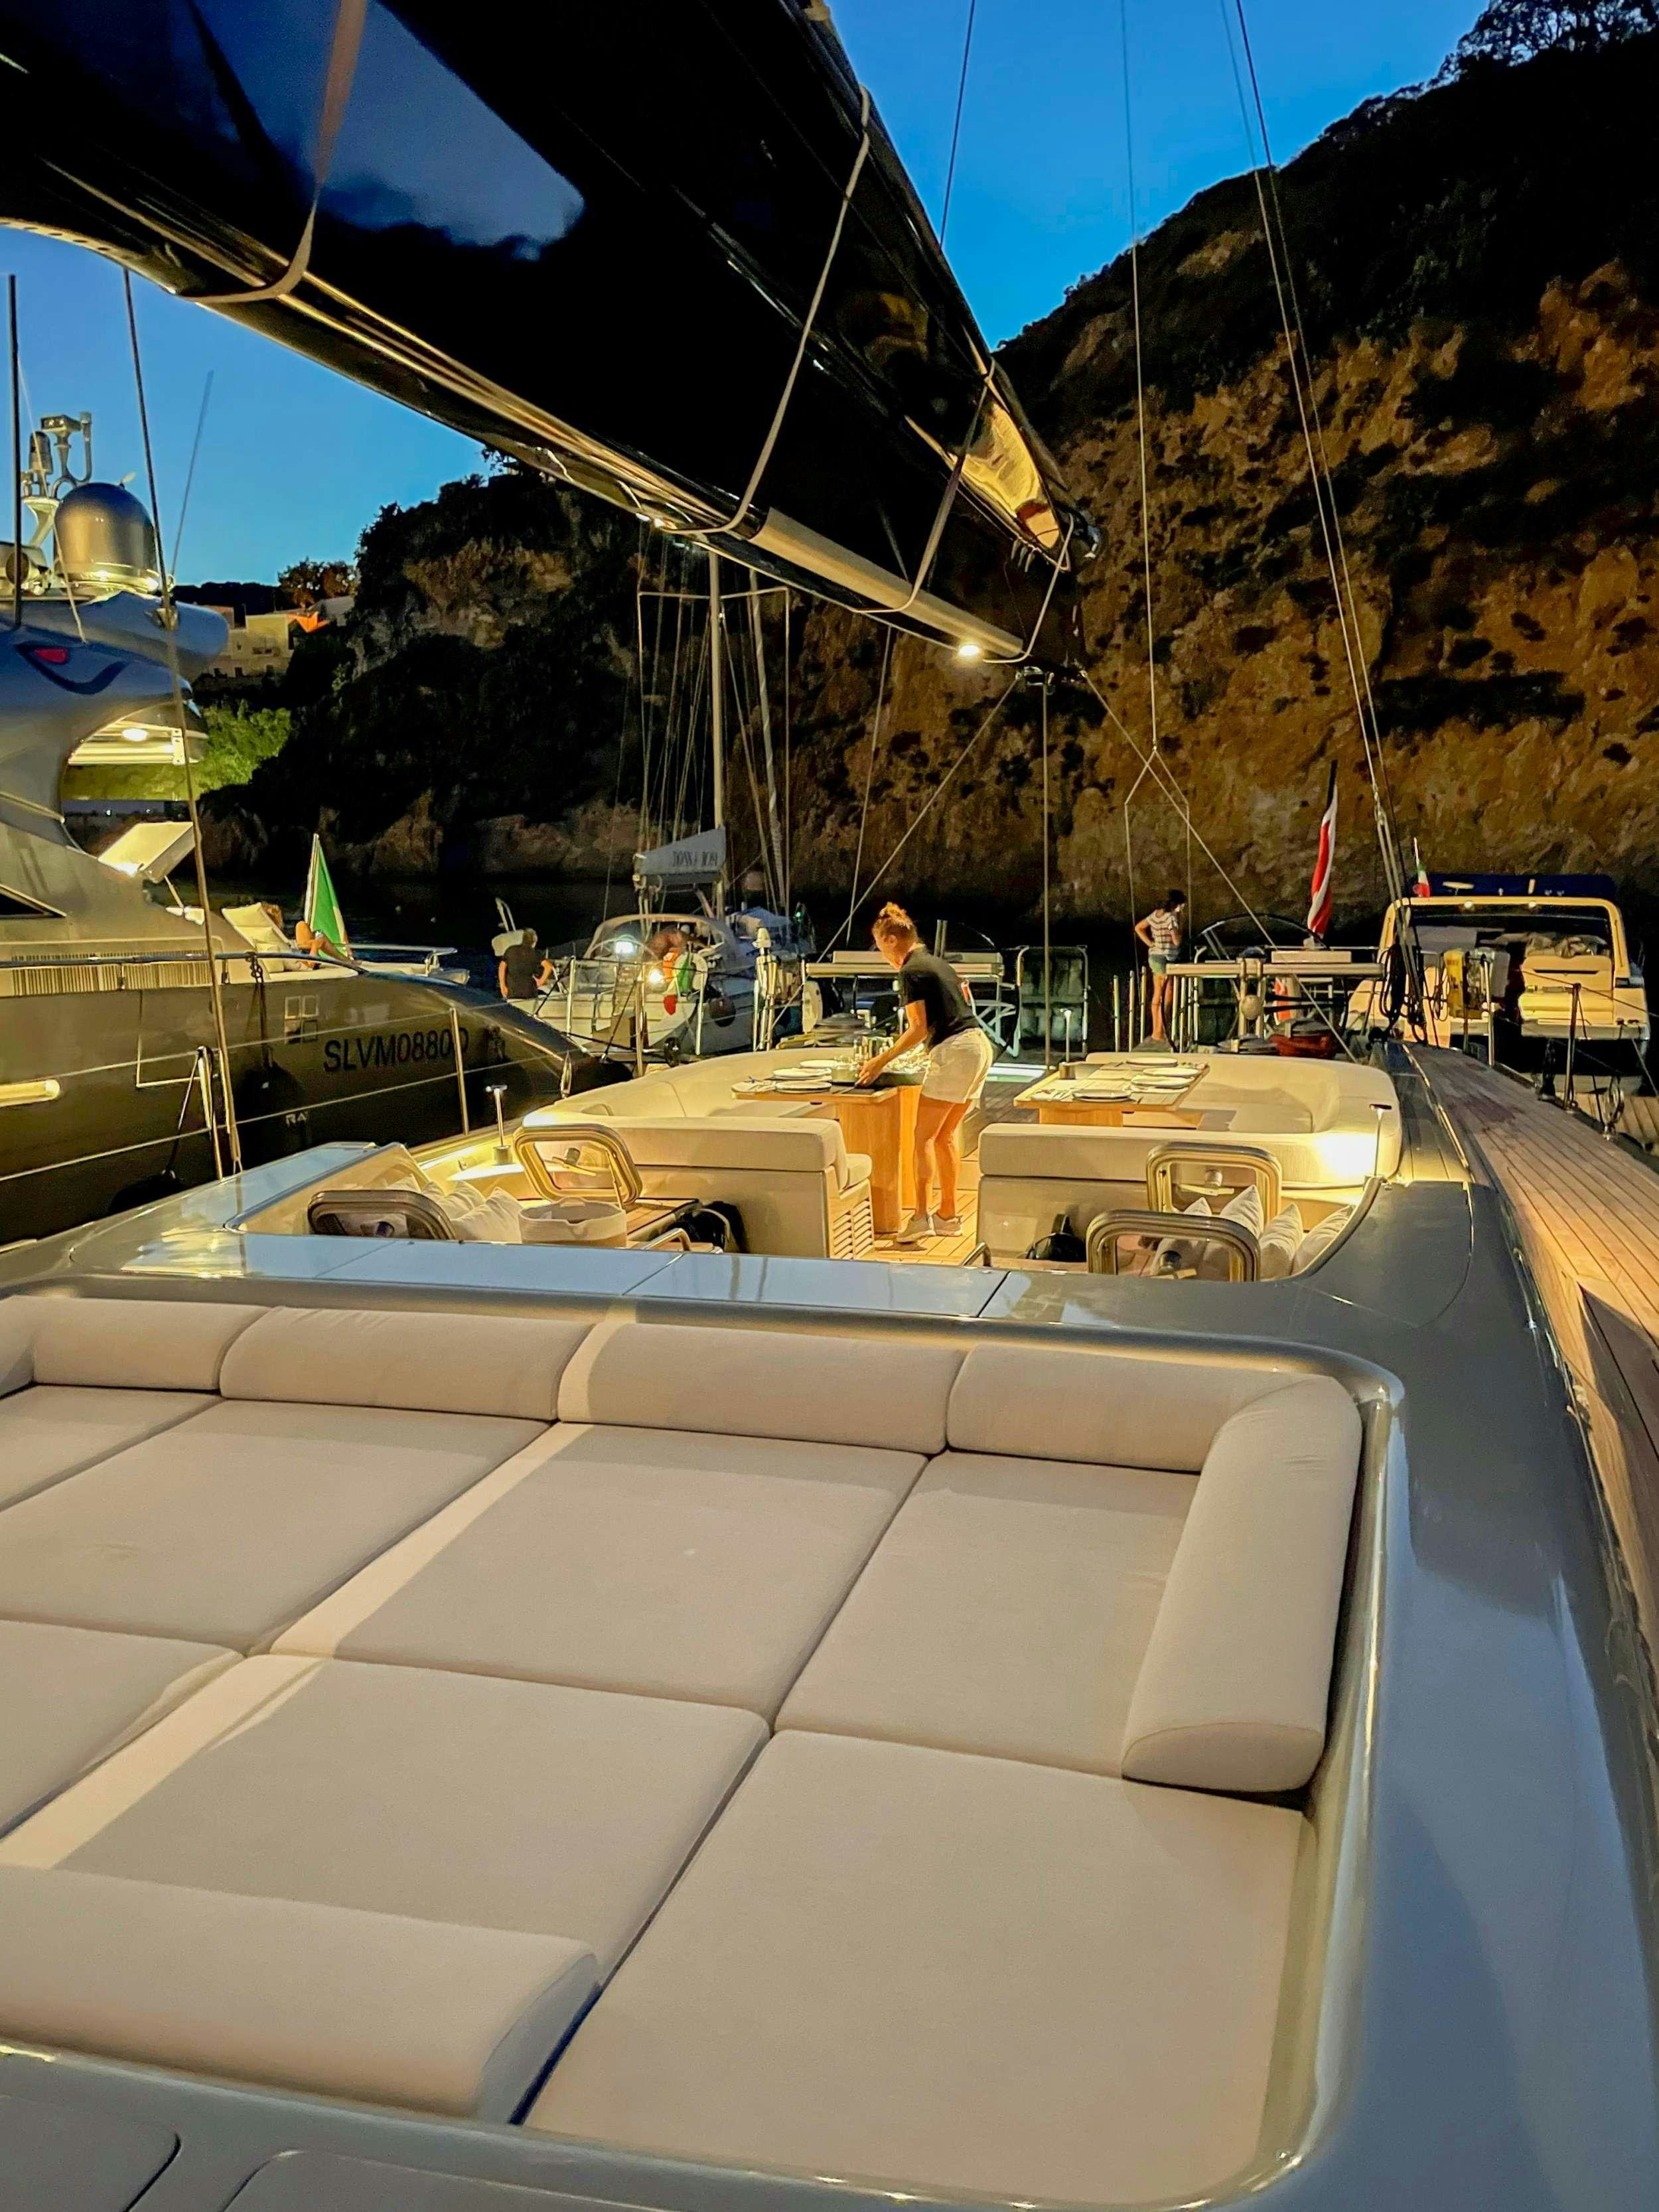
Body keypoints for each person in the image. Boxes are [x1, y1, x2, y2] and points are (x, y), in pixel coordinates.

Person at [857, 902, 995, 1244]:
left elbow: (918, 1029)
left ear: (891, 940)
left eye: (880, 946)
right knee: (945, 1135)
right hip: (979, 1045)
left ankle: (920, 1217)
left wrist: (880, 1061)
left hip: (957, 1051)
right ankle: (948, 1216)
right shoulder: (936, 963)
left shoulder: (910, 971)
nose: (882, 955)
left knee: (923, 1138)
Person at [1133, 889, 1187, 1043]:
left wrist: (1151, 944)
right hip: (1166, 958)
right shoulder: (1171, 918)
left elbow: (1139, 928)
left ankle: (1157, 1030)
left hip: (1155, 956)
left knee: (1158, 993)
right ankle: (1159, 1031)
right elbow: (1176, 941)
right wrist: (1179, 923)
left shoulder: (1155, 915)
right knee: (1166, 995)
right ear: (1176, 905)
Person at [498, 927, 549, 1003]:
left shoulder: (511, 950)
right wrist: (541, 981)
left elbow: (502, 967)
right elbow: (549, 966)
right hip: (529, 994)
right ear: (534, 941)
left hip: (512, 993)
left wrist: (503, 986)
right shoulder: (535, 953)